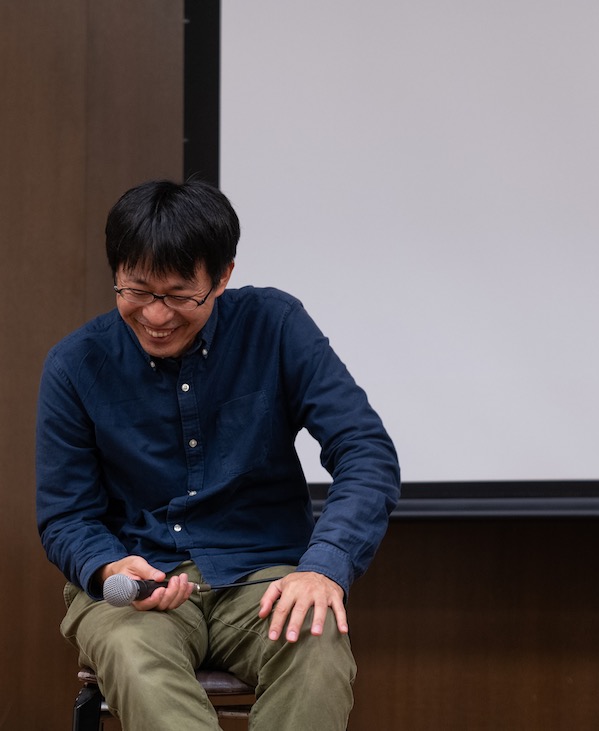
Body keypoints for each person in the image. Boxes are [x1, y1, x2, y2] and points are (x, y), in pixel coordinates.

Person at [36, 179, 400, 729]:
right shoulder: (75, 365)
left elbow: (366, 452)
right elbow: (66, 515)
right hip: (140, 580)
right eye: (137, 292)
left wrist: (325, 567)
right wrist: (111, 566)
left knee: (315, 641)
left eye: (180, 295)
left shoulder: (276, 326)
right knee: (134, 657)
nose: (157, 316)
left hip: (262, 576)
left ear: (223, 276)